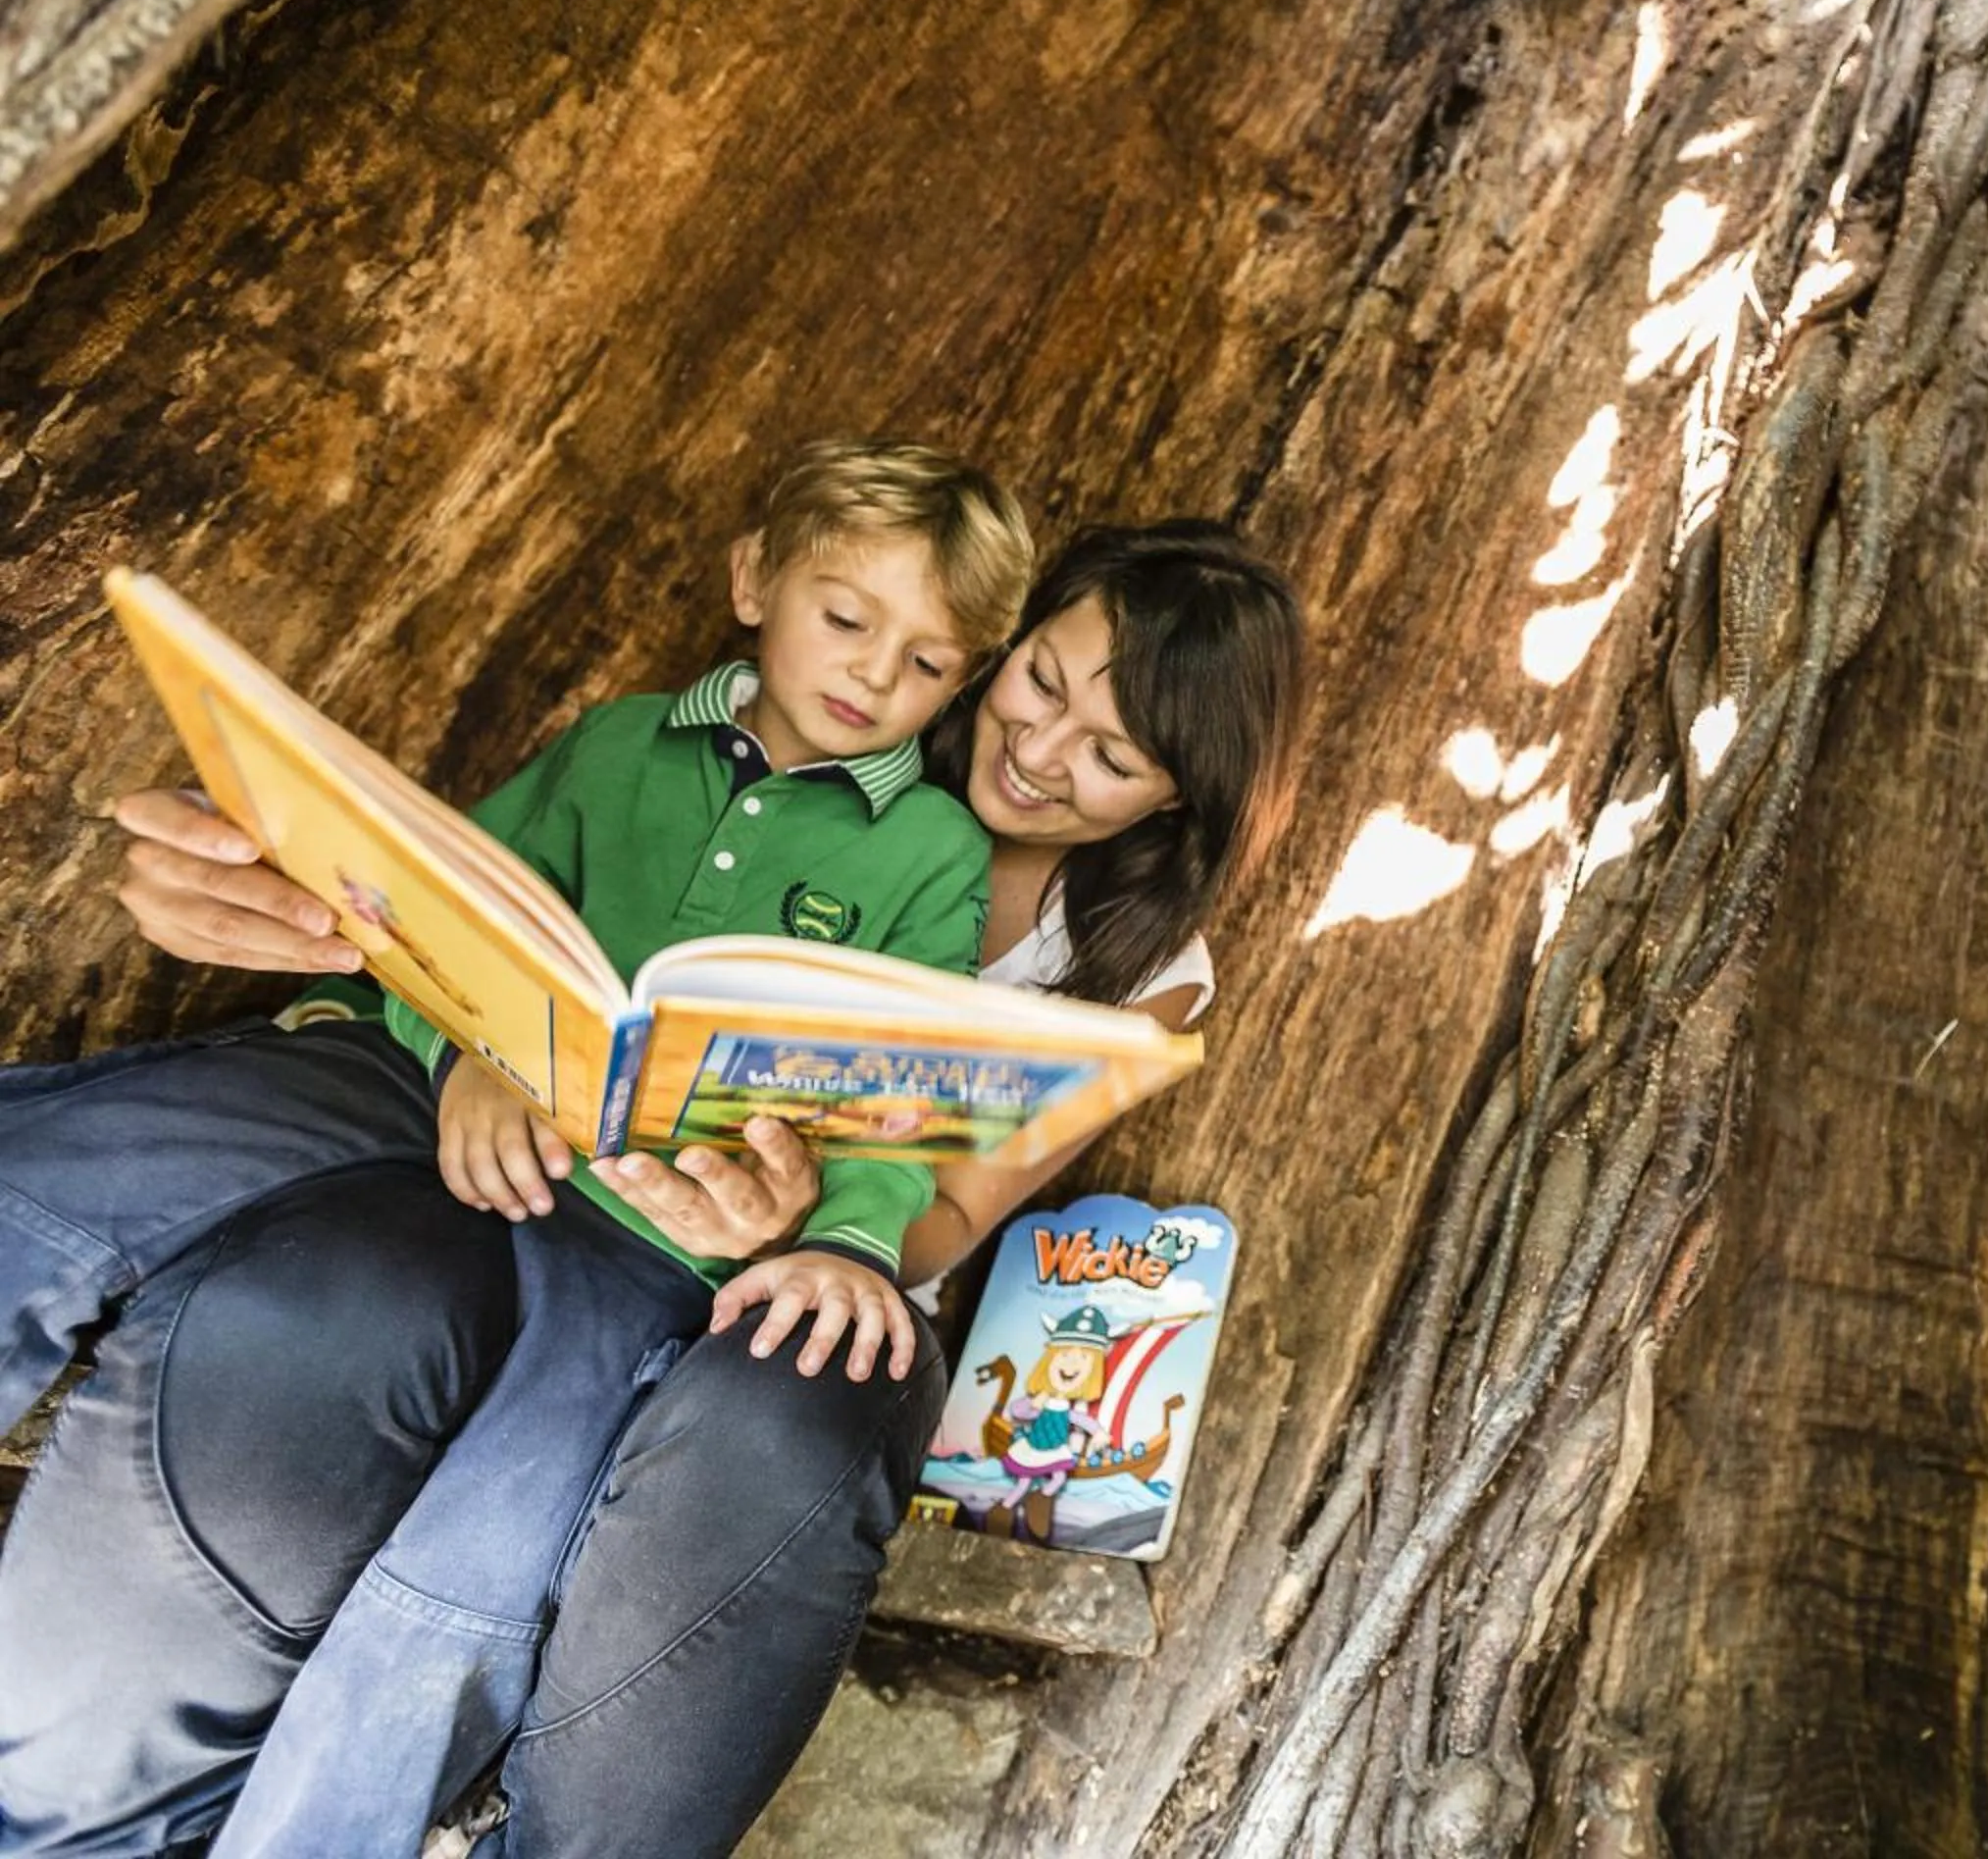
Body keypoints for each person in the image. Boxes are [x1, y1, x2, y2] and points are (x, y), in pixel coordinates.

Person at [0, 521, 1306, 1859]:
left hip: (789, 1262)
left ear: (1172, 799)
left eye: (1111, 757)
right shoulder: (832, 737)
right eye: (1042, 685)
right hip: (565, 1169)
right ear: (1008, 644)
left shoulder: (1145, 961)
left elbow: (957, 1215)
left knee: (551, 1497)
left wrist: (805, 1232)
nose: (1039, 755)